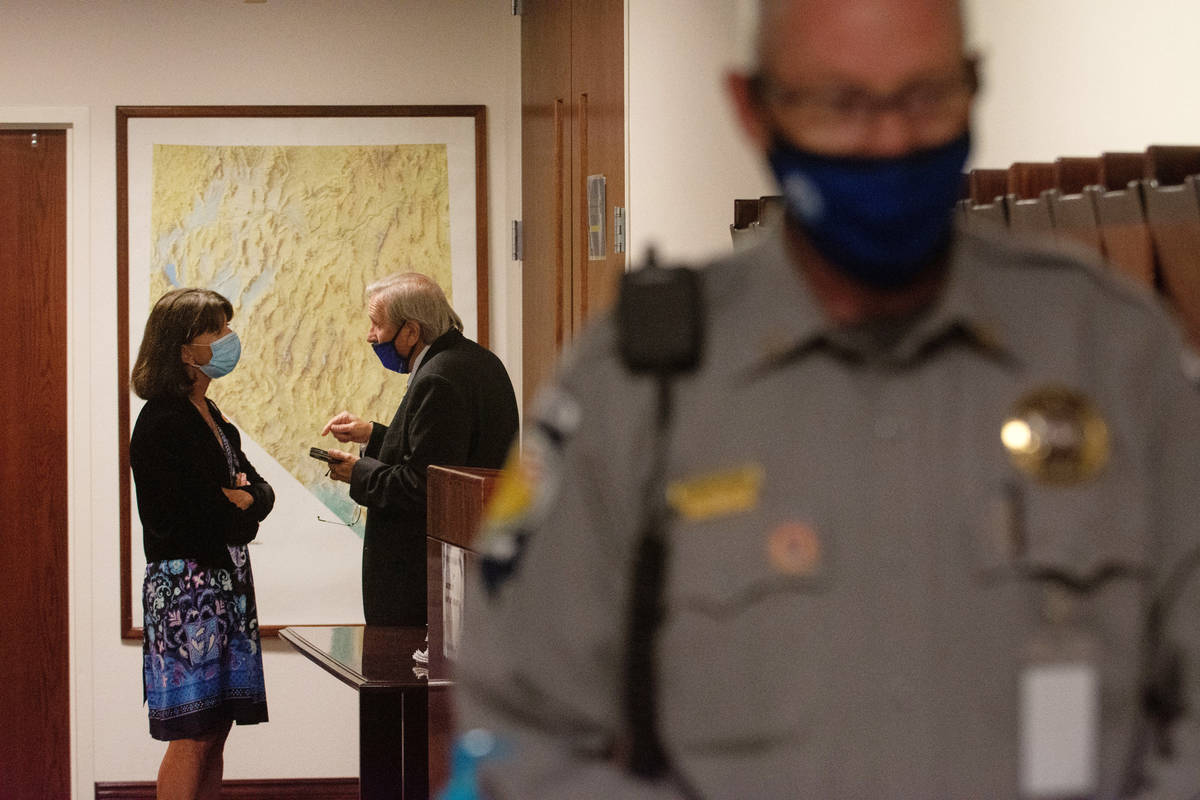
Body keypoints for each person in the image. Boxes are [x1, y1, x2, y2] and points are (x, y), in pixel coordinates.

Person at [452, 0, 1200, 797]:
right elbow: (514, 738)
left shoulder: (1118, 354)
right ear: (753, 106)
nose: (890, 140)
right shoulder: (630, 386)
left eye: (925, 96)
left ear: (973, 87)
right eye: (840, 105)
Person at [130, 288, 275, 800]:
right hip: (186, 592)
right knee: (191, 733)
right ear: (183, 348)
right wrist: (236, 504)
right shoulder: (163, 421)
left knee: (215, 730)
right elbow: (205, 514)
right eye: (215, 330)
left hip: (226, 585)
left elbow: (262, 493)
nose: (228, 339)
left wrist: (244, 500)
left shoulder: (211, 415)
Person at [321, 271, 519, 626]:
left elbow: (423, 486)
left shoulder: (438, 379)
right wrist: (371, 435)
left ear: (411, 331)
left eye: (377, 325)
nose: (370, 336)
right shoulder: (474, 361)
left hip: (424, 585)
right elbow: (440, 454)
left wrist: (358, 472)